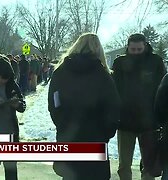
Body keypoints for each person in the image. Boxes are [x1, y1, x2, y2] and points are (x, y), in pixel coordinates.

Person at [48, 33, 120, 180]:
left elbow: (54, 102)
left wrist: (61, 123)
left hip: (68, 133)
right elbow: (112, 107)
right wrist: (106, 132)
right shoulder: (102, 75)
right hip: (95, 136)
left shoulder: (61, 72)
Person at [112, 33, 167, 180]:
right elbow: (114, 89)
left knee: (149, 165)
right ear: (128, 47)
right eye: (133, 49)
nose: (136, 52)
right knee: (124, 164)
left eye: (139, 49)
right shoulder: (120, 63)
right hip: (125, 122)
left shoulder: (155, 62)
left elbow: (163, 90)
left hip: (149, 122)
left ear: (145, 47)